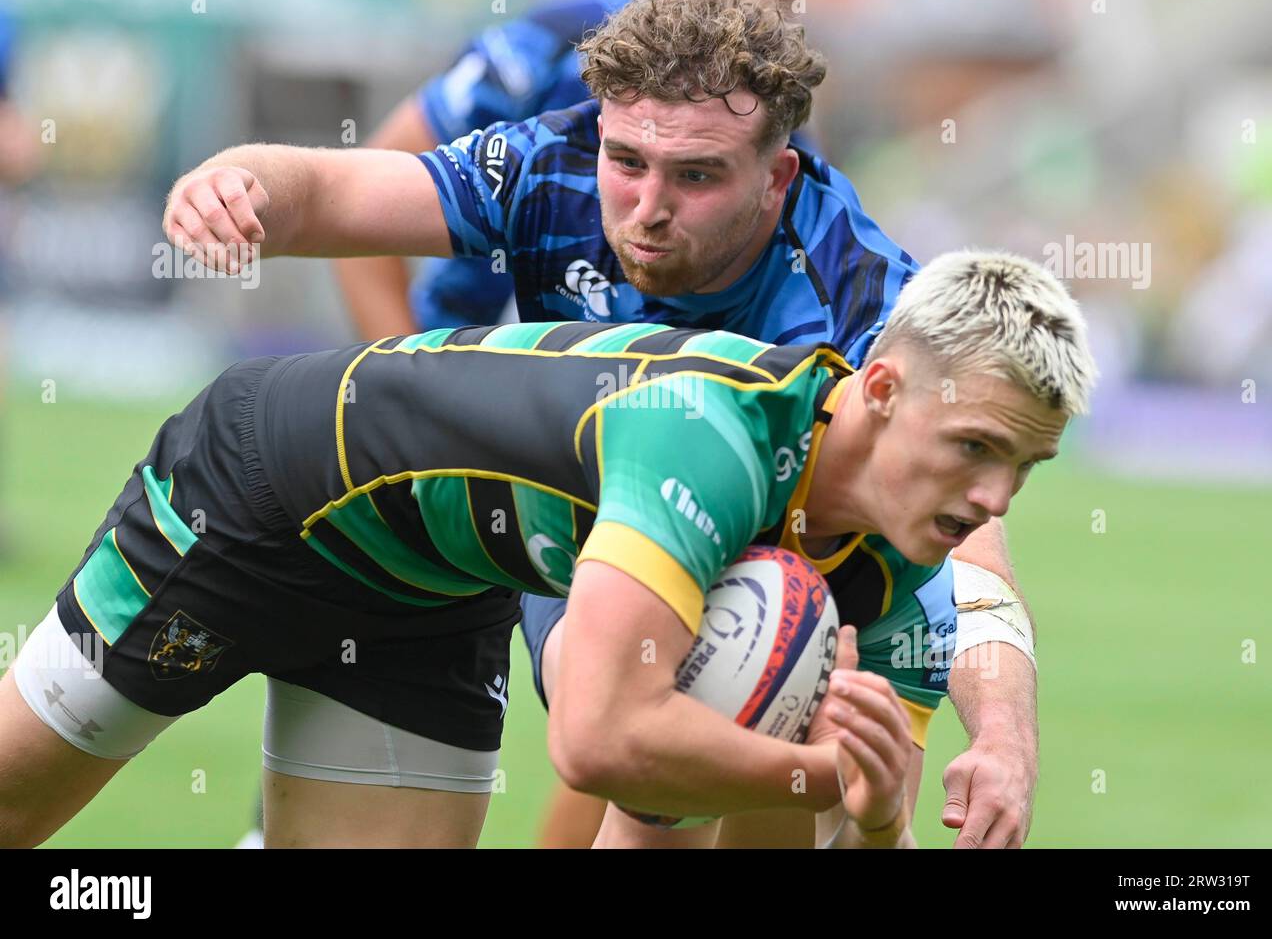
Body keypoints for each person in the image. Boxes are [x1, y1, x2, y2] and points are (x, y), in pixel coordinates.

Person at [163, 0, 1044, 848]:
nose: (651, 209)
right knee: (644, 738)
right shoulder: (554, 161)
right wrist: (238, 188)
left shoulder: (854, 287)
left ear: (774, 179)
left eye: (696, 175)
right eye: (629, 164)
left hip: (775, 558)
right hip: (580, 519)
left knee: (794, 765)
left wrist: (1003, 740)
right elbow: (335, 193)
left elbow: (972, 549)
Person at [0, 250, 1095, 848]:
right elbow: (597, 738)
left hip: (436, 593)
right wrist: (819, 773)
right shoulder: (710, 433)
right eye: (973, 448)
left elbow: (756, 812)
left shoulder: (901, 589)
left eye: (1024, 470)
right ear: (884, 390)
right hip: (258, 494)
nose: (993, 497)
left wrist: (877, 814)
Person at [335, 0, 811, 338]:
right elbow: (358, 196)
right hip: (462, 374)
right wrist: (415, 401)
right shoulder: (548, 48)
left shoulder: (780, 145)